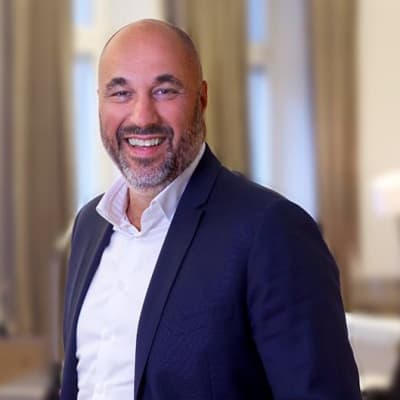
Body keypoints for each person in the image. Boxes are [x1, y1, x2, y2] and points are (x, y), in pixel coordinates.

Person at [61, 19, 362, 400]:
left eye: (165, 90)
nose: (142, 117)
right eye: (120, 93)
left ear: (201, 99)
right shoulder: (89, 225)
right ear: (100, 101)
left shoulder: (271, 230)